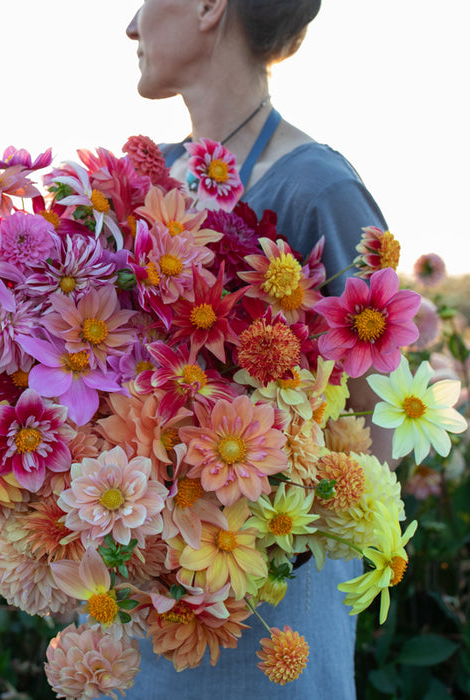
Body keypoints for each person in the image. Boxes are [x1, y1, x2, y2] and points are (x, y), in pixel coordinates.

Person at [123, 1, 391, 697]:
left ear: (211, 5)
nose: (131, 25)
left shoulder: (318, 187)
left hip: (274, 614)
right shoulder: (143, 182)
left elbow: (378, 427)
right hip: (145, 605)